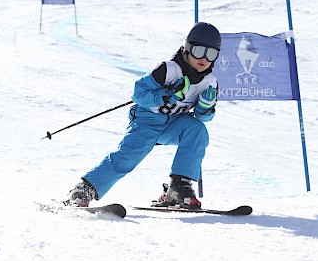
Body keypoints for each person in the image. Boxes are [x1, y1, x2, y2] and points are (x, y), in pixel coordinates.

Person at [66, 22, 221, 209]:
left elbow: (203, 117)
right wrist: (167, 95)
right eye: (198, 51)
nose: (204, 58)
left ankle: (179, 187)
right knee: (128, 156)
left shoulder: (209, 83)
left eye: (211, 54)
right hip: (147, 121)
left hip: (173, 125)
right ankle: (84, 190)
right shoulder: (169, 70)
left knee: (197, 130)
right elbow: (138, 93)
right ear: (187, 49)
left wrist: (206, 108)